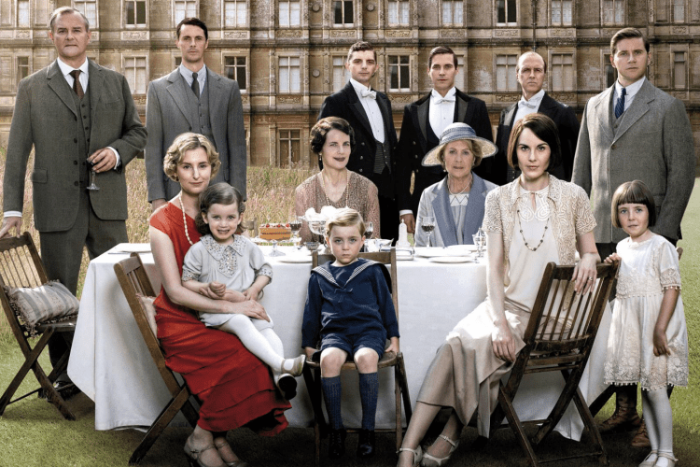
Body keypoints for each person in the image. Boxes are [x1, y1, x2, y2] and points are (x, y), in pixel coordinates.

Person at [396, 113, 600, 467]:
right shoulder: (499, 200)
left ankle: (451, 434)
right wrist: (500, 322)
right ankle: (408, 447)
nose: (532, 156)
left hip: (557, 315)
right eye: (524, 148)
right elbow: (493, 269)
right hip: (510, 307)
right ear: (514, 152)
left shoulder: (574, 195)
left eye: (541, 147)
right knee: (456, 343)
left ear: (552, 152)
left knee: (479, 349)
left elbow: (592, 250)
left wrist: (589, 258)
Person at [0, 6, 146, 399]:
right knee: (60, 294)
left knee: (121, 287)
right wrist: (11, 208)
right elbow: (16, 153)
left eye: (77, 30)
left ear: (89, 35)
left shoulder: (115, 82)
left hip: (108, 206)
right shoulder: (32, 86)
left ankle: (122, 368)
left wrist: (116, 153)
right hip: (56, 206)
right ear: (52, 37)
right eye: (62, 31)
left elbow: (137, 133)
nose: (69, 36)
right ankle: (64, 377)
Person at [572, 27, 695, 445]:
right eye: (622, 53)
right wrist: (578, 231)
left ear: (647, 57)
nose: (629, 59)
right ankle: (624, 409)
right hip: (605, 236)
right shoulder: (593, 106)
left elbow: (682, 175)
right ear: (612, 59)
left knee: (652, 325)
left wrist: (659, 236)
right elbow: (580, 176)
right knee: (618, 326)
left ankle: (649, 416)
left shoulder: (668, 106)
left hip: (650, 237)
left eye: (636, 52)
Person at [150, 133, 290, 467]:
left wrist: (249, 292)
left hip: (216, 312)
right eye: (187, 166)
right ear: (175, 170)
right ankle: (202, 438)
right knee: (245, 356)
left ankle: (212, 435)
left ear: (212, 168)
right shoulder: (161, 221)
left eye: (203, 165)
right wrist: (233, 307)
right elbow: (175, 291)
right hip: (181, 317)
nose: (196, 174)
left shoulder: (221, 210)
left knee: (257, 344)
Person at [182, 182, 306, 400]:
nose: (223, 224)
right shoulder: (199, 250)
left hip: (246, 307)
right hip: (219, 313)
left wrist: (256, 287)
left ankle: (281, 378)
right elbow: (187, 281)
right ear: (205, 217)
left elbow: (265, 269)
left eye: (230, 217)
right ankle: (282, 364)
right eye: (217, 217)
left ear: (239, 218)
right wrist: (205, 287)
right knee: (240, 323)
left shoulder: (246, 245)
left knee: (268, 330)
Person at [301, 208, 400, 459]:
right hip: (335, 334)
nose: (345, 247)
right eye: (338, 241)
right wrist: (309, 346)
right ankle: (337, 430)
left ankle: (368, 431)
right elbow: (311, 314)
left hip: (369, 332)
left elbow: (387, 307)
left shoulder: (372, 271)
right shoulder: (320, 276)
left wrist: (394, 339)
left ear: (362, 240)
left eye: (352, 240)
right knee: (328, 360)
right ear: (327, 242)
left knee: (366, 358)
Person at [603, 180, 688, 467]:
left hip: (656, 326)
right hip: (634, 327)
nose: (631, 217)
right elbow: (629, 284)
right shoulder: (622, 246)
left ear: (649, 212)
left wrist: (660, 329)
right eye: (624, 211)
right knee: (646, 391)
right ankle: (655, 450)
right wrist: (615, 267)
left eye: (638, 209)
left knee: (656, 389)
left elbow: (671, 288)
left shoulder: (660, 245)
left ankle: (667, 453)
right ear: (617, 216)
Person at [146, 17, 246, 212]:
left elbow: (237, 148)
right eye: (187, 38)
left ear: (206, 43)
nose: (193, 44)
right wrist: (157, 197)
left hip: (221, 188)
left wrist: (239, 196)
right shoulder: (158, 89)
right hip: (174, 189)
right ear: (178, 42)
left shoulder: (229, 88)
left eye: (198, 38)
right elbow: (152, 148)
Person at [396, 46, 496, 233]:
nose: (442, 72)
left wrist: (487, 200)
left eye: (448, 66)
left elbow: (487, 163)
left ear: (456, 70)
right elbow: (403, 163)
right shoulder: (413, 110)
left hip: (470, 195)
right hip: (425, 198)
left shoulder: (476, 107)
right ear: (428, 71)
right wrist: (406, 207)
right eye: (436, 67)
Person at [318, 41, 400, 241]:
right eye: (358, 61)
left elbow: (391, 147)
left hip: (387, 193)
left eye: (369, 62)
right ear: (348, 65)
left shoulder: (383, 100)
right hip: (352, 192)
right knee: (352, 252)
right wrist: (334, 194)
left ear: (376, 67)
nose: (364, 66)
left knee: (387, 254)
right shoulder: (335, 102)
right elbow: (323, 152)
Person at [493, 51, 579, 185]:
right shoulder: (507, 114)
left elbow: (575, 161)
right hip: (511, 196)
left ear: (544, 75)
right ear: (517, 75)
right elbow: (500, 161)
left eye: (537, 70)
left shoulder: (563, 113)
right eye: (526, 70)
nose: (532, 75)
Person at [295, 117, 381, 243]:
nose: (341, 151)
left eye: (346, 144)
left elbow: (373, 241)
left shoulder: (367, 188)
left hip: (358, 262)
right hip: (316, 262)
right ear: (320, 149)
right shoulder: (304, 191)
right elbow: (305, 245)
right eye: (333, 144)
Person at [414, 123, 498, 247]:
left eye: (465, 152)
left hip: (480, 266)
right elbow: (421, 245)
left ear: (474, 157)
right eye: (452, 152)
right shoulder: (428, 195)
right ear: (443, 157)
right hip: (439, 266)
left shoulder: (494, 193)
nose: (458, 159)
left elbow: (501, 246)